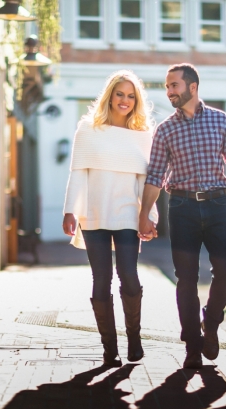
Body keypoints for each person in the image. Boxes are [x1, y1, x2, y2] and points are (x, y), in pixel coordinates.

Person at [138, 63, 226, 369]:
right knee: (186, 278)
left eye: (174, 86)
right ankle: (193, 346)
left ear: (192, 87)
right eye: (167, 87)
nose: (169, 92)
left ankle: (212, 321)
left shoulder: (220, 121)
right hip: (181, 209)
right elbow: (154, 176)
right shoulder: (165, 129)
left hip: (218, 206)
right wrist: (144, 214)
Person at [63, 70, 158, 367]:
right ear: (109, 96)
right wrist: (70, 210)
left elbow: (148, 182)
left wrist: (149, 216)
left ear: (136, 101)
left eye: (131, 96)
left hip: (128, 214)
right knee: (100, 280)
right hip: (94, 215)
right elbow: (78, 172)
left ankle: (134, 339)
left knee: (129, 276)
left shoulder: (144, 137)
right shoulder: (88, 130)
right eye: (120, 94)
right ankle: (109, 348)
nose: (125, 100)